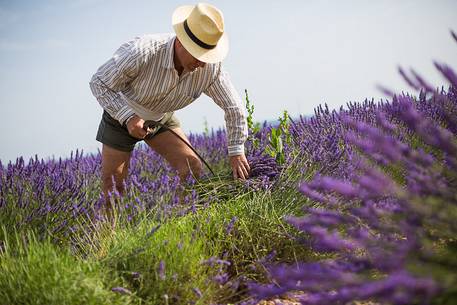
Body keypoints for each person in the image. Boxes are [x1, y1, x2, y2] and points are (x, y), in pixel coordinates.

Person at [89, 3, 251, 207]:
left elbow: (234, 107)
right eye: (199, 55)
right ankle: (107, 237)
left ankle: (182, 221)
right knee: (113, 186)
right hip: (120, 115)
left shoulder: (211, 70)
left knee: (191, 167)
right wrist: (129, 117)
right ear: (181, 42)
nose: (202, 64)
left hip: (160, 117)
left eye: (206, 57)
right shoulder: (143, 51)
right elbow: (99, 82)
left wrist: (236, 150)